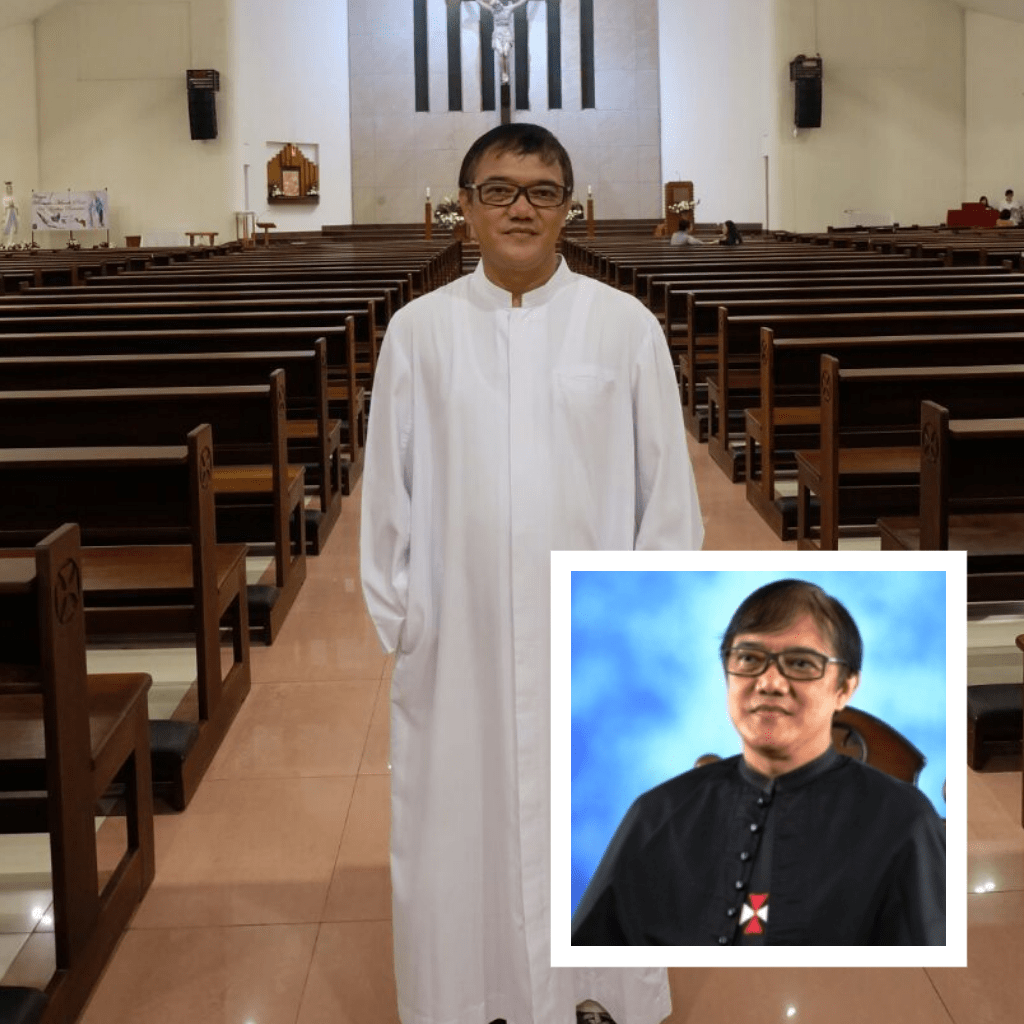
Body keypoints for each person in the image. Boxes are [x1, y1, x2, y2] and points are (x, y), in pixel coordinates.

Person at [360, 122, 703, 1024]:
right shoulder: (420, 332)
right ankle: (468, 997)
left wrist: (647, 620)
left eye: (542, 192)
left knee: (593, 814)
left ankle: (598, 994)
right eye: (500, 190)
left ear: (567, 210)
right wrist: (405, 618)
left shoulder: (624, 327)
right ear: (465, 207)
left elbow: (667, 490)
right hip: (458, 626)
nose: (521, 208)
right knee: (459, 826)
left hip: (591, 632)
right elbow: (387, 488)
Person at [571, 579, 945, 946]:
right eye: (749, 659)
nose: (769, 683)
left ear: (845, 687)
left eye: (800, 663)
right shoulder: (657, 813)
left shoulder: (903, 820)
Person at [477, 0, 529, 83]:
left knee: (505, 53)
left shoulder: (508, 9)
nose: (497, 6)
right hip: (497, 35)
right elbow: (482, 4)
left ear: (500, 3)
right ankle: (504, 74)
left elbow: (519, 3)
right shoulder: (493, 10)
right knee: (501, 53)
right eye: (495, 6)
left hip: (506, 34)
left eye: (498, 4)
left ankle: (505, 72)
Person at [1, 181, 19, 248]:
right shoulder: (4, 198)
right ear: (6, 189)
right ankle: (6, 243)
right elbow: (4, 206)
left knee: (13, 228)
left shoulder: (14, 197)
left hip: (13, 213)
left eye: (10, 188)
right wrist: (9, 205)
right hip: (7, 213)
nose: (10, 190)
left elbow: (17, 206)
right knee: (6, 228)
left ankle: (11, 242)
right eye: (8, 188)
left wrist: (13, 205)